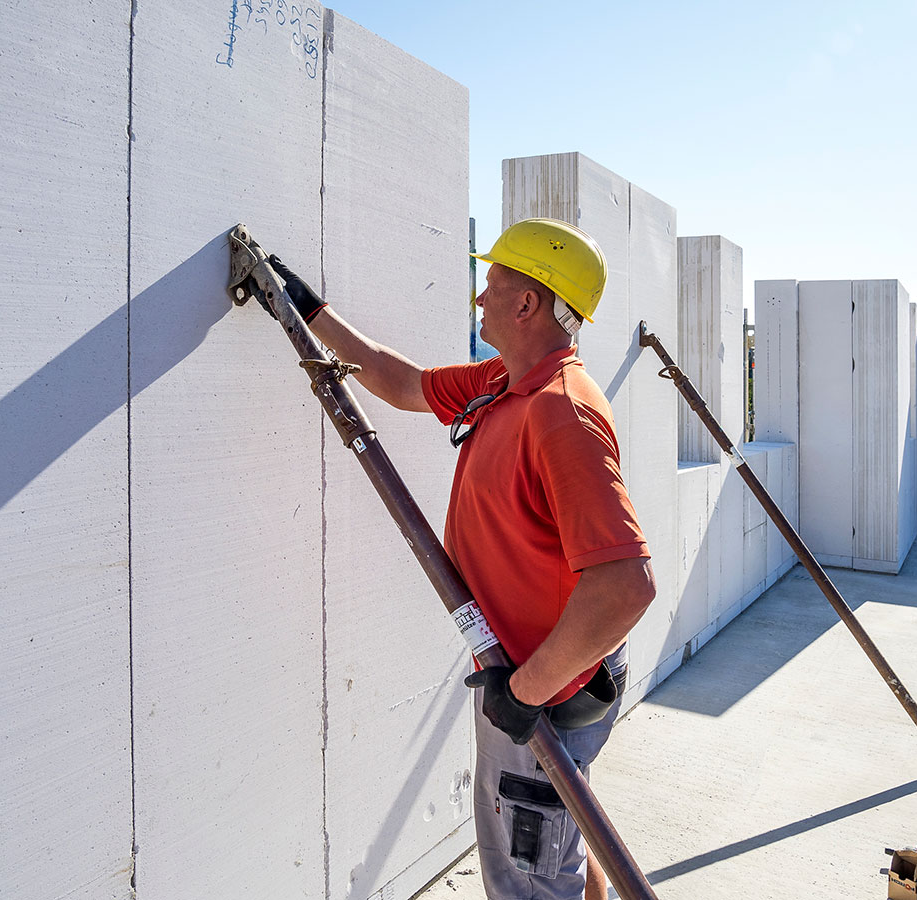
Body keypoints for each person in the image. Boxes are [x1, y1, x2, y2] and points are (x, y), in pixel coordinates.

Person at [268, 218, 656, 900]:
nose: (480, 299)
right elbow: (402, 381)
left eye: (492, 284)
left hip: (545, 682)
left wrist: (525, 693)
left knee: (528, 874)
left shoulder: (560, 411)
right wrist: (310, 310)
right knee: (563, 823)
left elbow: (626, 586)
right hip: (537, 670)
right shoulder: (506, 383)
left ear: (527, 304)